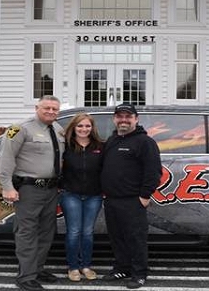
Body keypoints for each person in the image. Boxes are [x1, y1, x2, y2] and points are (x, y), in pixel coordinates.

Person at [0, 95, 64, 291]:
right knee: (27, 232)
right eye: (47, 108)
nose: (51, 112)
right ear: (37, 107)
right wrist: (7, 186)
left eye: (54, 109)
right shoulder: (18, 128)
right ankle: (25, 276)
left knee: (46, 232)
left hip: (51, 189)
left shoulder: (58, 129)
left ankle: (36, 269)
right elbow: (6, 158)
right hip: (29, 189)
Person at [100, 103, 162, 289]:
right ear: (114, 119)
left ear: (136, 119)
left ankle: (139, 273)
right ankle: (122, 268)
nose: (123, 120)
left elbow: (153, 172)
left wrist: (144, 195)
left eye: (128, 116)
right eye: (120, 116)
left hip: (133, 200)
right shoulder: (112, 140)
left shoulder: (145, 142)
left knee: (135, 238)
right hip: (111, 200)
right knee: (117, 238)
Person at [59, 113, 104, 282]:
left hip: (94, 195)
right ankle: (73, 267)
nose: (84, 129)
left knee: (87, 232)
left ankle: (86, 265)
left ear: (92, 128)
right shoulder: (65, 146)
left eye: (87, 126)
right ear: (73, 127)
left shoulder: (100, 146)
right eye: (80, 126)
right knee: (74, 232)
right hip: (71, 194)